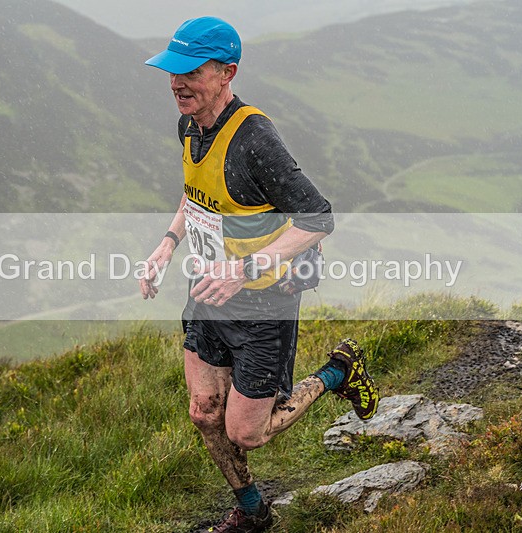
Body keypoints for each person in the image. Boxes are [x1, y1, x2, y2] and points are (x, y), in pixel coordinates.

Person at [140, 17, 379, 533]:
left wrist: (245, 268)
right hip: (207, 292)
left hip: (262, 305)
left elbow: (319, 218)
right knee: (204, 412)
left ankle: (338, 372)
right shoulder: (188, 125)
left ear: (227, 73)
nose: (177, 82)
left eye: (190, 71)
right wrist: (168, 242)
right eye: (170, 71)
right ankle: (251, 510)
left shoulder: (254, 139)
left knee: (246, 433)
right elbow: (197, 193)